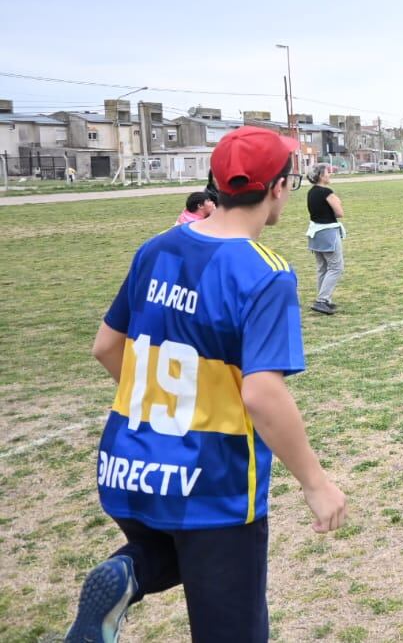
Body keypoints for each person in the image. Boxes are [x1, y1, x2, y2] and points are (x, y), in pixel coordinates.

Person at [65, 125, 346, 643]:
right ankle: (135, 571)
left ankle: (132, 571)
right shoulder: (264, 273)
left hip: (129, 464)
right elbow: (262, 394)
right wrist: (315, 482)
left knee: (170, 553)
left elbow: (106, 347)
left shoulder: (157, 249)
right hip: (211, 479)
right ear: (279, 188)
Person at [305, 163, 345, 315]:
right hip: (328, 232)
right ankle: (322, 300)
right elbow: (340, 212)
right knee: (336, 267)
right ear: (321, 175)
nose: (330, 174)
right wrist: (337, 202)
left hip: (315, 233)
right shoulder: (326, 192)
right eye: (328, 172)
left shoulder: (311, 192)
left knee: (322, 267)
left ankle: (324, 299)